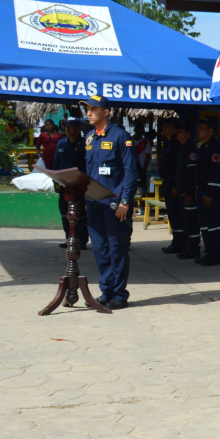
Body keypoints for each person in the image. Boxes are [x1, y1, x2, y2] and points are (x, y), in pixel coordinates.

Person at [79, 95, 138, 309]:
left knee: (116, 248)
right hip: (94, 203)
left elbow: (131, 172)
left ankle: (119, 295)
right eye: (87, 109)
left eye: (94, 109)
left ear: (106, 112)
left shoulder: (121, 136)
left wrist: (125, 201)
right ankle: (106, 291)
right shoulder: (89, 137)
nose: (89, 112)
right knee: (100, 249)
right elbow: (89, 172)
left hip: (115, 205)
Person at [52, 117, 89, 250]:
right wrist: (55, 180)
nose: (67, 128)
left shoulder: (85, 144)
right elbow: (56, 163)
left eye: (70, 126)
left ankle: (81, 240)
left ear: (78, 129)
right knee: (64, 211)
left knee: (80, 213)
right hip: (64, 186)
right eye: (66, 126)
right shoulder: (62, 143)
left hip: (80, 186)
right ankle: (69, 238)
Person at [195, 116, 220, 267]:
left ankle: (216, 254)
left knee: (214, 225)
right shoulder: (204, 147)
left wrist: (209, 192)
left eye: (202, 128)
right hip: (202, 190)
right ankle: (209, 252)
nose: (199, 130)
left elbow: (215, 172)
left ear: (210, 131)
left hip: (211, 193)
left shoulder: (215, 147)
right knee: (205, 225)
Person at [173, 121, 201, 261]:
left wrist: (189, 191)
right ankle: (190, 247)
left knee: (191, 220)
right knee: (186, 219)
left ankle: (193, 248)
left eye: (180, 131)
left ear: (188, 134)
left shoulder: (190, 150)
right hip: (182, 187)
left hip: (187, 189)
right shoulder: (183, 148)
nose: (177, 133)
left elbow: (192, 173)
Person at [157, 119, 184, 255]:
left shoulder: (176, 144)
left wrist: (175, 185)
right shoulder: (168, 143)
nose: (164, 128)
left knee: (176, 213)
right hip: (166, 182)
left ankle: (179, 242)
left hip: (173, 183)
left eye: (167, 126)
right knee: (172, 214)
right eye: (164, 125)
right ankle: (176, 240)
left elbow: (177, 167)